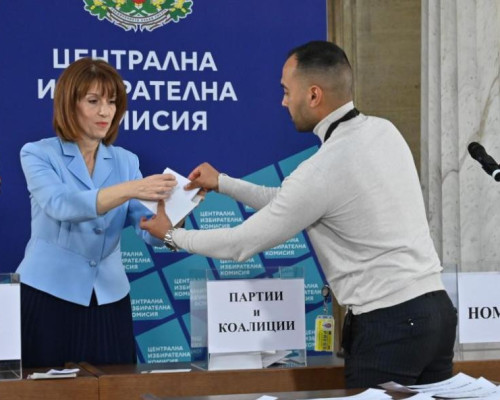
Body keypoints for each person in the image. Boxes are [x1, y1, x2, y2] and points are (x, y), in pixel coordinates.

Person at [140, 41, 457, 388]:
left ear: (314, 95)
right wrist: (224, 183)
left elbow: (240, 244)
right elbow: (292, 202)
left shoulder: (324, 168)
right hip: (437, 314)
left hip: (390, 325)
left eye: (286, 91)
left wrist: (172, 235)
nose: (283, 102)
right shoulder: (385, 131)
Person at [17, 58, 177, 367]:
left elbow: (147, 228)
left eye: (112, 102)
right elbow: (62, 204)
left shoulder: (126, 160)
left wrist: (169, 223)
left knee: (117, 388)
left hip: (110, 298)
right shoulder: (38, 153)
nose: (105, 111)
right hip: (48, 294)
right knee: (47, 389)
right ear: (69, 104)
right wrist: (131, 188)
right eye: (93, 101)